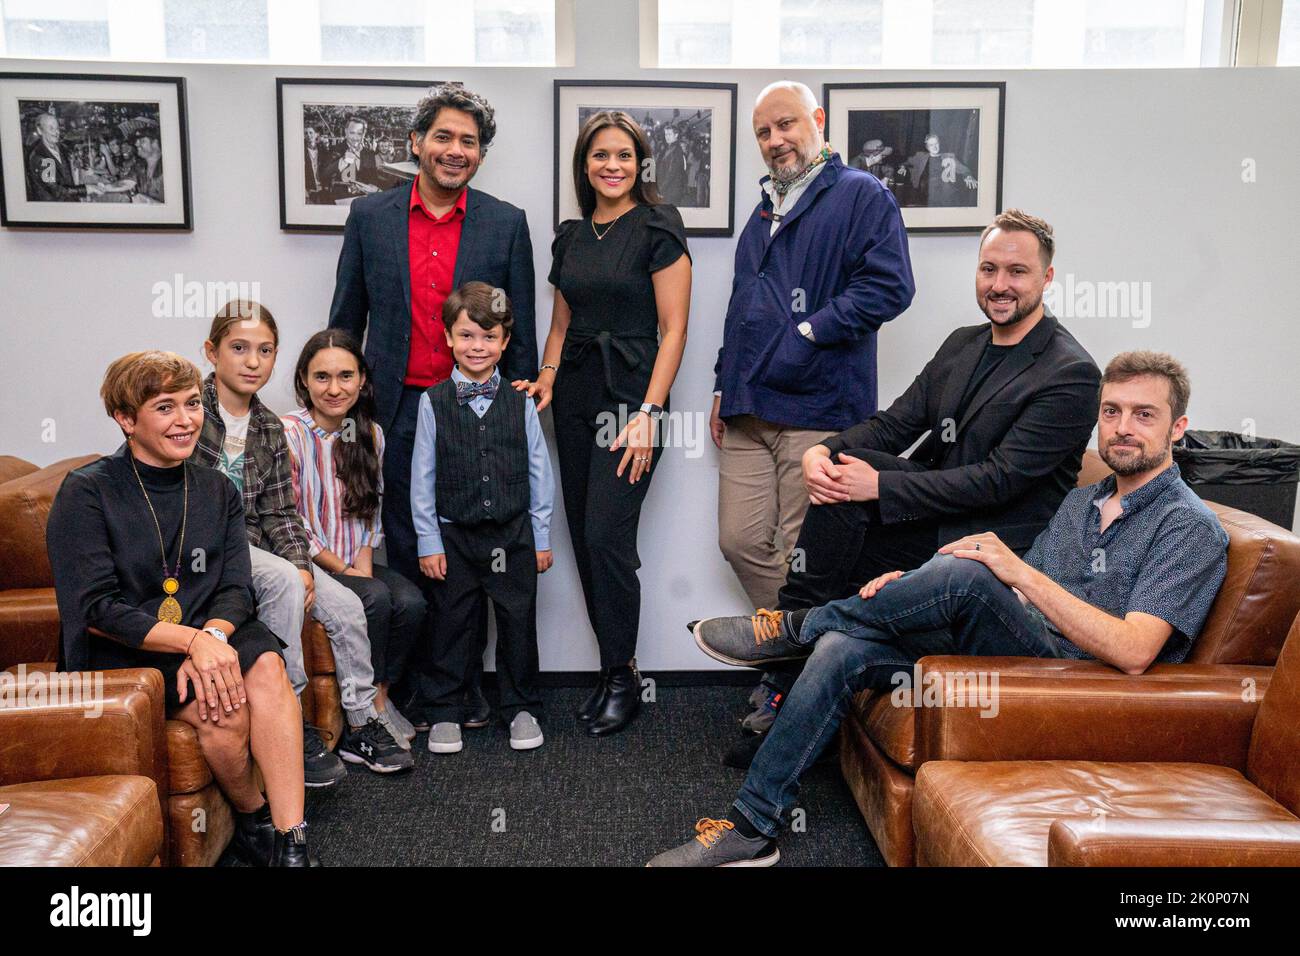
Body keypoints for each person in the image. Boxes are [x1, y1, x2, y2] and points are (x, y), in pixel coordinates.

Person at [651, 350, 1230, 866]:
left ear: (1178, 427)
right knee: (842, 648)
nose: (1123, 428)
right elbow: (1028, 595)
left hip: (1076, 683)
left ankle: (794, 627)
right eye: (1112, 412)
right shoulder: (1084, 502)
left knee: (971, 571)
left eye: (1144, 415)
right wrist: (914, 587)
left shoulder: (1190, 527)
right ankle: (754, 826)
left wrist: (1010, 571)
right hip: (1017, 656)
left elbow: (1134, 651)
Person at [718, 209, 1100, 766]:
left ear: (1047, 278)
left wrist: (882, 487)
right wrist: (825, 450)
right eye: (988, 269)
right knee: (845, 473)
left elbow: (999, 481)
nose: (999, 285)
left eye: (1016, 272)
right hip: (935, 517)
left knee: (855, 495)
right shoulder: (962, 344)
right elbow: (896, 422)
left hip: (992, 543)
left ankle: (785, 654)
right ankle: (791, 655)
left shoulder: (1070, 372)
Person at [47, 351, 317, 866]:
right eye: (165, 408)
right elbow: (96, 608)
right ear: (126, 419)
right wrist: (191, 642)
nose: (185, 420)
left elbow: (236, 587)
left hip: (209, 631)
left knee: (267, 665)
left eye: (193, 404)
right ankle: (255, 817)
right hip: (127, 650)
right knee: (226, 717)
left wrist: (211, 638)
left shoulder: (216, 488)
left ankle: (291, 840)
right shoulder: (86, 492)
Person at [711, 80, 915, 744]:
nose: (776, 141)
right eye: (764, 132)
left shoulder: (861, 195)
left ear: (818, 122)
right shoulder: (764, 208)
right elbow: (744, 302)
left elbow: (890, 287)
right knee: (742, 541)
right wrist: (723, 380)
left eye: (786, 125)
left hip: (821, 407)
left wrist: (809, 333)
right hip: (749, 405)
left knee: (805, 558)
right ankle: (810, 657)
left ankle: (783, 693)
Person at [329, 83, 537, 727]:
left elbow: (519, 323)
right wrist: (339, 406)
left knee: (474, 542)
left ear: (481, 154)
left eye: (468, 142)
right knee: (413, 541)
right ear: (416, 143)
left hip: (473, 409)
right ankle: (420, 688)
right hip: (394, 410)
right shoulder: (371, 217)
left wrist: (519, 400)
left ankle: (467, 686)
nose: (455, 151)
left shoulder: (505, 222)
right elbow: (347, 317)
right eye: (443, 137)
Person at [516, 110, 691, 736]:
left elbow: (674, 330)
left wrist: (649, 413)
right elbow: (561, 325)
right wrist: (547, 375)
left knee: (606, 538)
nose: (611, 166)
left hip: (631, 399)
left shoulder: (658, 226)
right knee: (584, 540)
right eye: (599, 155)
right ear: (583, 165)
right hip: (576, 396)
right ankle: (612, 667)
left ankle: (624, 678)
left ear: (639, 163)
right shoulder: (570, 235)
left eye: (623, 155)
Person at [193, 299, 390, 786]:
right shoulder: (190, 413)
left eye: (265, 350)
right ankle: (294, 721)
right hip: (207, 552)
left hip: (261, 549)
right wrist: (290, 570)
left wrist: (303, 564)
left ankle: (362, 723)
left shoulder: (267, 428)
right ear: (211, 352)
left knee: (346, 606)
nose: (252, 361)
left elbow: (282, 512)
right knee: (282, 579)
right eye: (239, 348)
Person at [412, 283, 555, 754]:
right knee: (452, 623)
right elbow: (422, 476)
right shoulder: (431, 402)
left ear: (505, 342)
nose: (478, 347)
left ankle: (520, 707)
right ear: (449, 339)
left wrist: (540, 535)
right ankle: (446, 711)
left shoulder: (521, 401)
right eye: (467, 336)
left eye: (489, 337)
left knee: (518, 622)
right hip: (455, 536)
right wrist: (428, 540)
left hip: (513, 535)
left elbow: (539, 469)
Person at [281, 330, 424, 773]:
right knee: (375, 599)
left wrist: (363, 565)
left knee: (413, 602)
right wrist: (347, 571)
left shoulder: (370, 434)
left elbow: (370, 511)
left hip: (352, 559)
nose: (335, 388)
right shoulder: (289, 433)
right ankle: (364, 721)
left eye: (346, 376)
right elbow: (292, 519)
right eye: (321, 377)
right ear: (304, 382)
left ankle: (382, 693)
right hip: (315, 564)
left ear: (362, 380)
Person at [25, 113, 105, 202]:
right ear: (40, 130)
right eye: (51, 128)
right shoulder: (41, 156)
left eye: (57, 128)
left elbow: (72, 168)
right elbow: (56, 191)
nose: (56, 132)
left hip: (71, 201)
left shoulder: (61, 147)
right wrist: (86, 189)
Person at [902, 132, 977, 207]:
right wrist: (903, 167)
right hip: (925, 193)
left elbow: (964, 170)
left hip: (945, 195)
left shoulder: (949, 157)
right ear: (927, 147)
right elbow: (907, 162)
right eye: (931, 145)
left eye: (936, 144)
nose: (934, 147)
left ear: (939, 144)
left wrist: (968, 176)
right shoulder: (920, 157)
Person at [325, 117, 383, 200]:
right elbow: (324, 175)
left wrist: (373, 187)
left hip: (363, 200)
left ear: (364, 134)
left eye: (359, 134)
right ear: (346, 131)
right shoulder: (334, 150)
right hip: (340, 200)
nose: (355, 138)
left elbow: (373, 177)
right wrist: (342, 161)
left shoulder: (369, 153)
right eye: (352, 133)